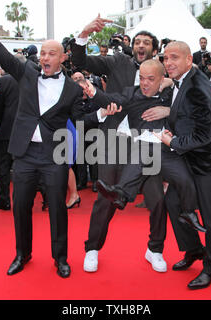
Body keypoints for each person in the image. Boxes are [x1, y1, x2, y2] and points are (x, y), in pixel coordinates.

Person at [0, 8, 119, 278]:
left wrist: (101, 113)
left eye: (52, 53)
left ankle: (60, 258)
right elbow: (0, 51)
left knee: (58, 209)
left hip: (54, 156)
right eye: (44, 53)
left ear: (61, 58)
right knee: (21, 207)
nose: (46, 57)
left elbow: (79, 118)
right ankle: (22, 254)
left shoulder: (72, 88)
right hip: (24, 154)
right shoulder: (25, 72)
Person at [71, 14, 176, 274]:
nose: (141, 46)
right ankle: (92, 249)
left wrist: (167, 108)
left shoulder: (167, 73)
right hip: (114, 138)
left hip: (148, 142)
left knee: (156, 198)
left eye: (146, 42)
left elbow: (191, 93)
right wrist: (84, 32)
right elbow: (81, 61)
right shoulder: (117, 61)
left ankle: (155, 249)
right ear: (132, 45)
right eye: (137, 41)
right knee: (105, 197)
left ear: (155, 48)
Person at [81, 59, 203, 234]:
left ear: (162, 79)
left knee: (183, 181)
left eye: (151, 79)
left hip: (167, 148)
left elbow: (194, 90)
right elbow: (111, 99)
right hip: (142, 145)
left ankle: (188, 213)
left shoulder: (172, 92)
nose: (145, 83)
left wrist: (168, 108)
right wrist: (94, 93)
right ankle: (120, 195)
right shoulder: (131, 93)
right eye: (142, 78)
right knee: (137, 165)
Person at [159, 41, 211, 290]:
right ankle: (193, 250)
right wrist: (172, 131)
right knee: (174, 202)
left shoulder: (197, 86)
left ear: (189, 59)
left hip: (207, 161)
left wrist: (173, 141)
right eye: (166, 58)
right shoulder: (181, 81)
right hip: (186, 157)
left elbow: (203, 135)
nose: (169, 63)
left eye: (174, 57)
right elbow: (185, 118)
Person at [0, 71, 19, 210]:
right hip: (27, 129)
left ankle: (4, 200)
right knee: (28, 165)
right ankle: (40, 199)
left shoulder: (5, 80)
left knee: (4, 165)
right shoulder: (33, 77)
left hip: (7, 128)